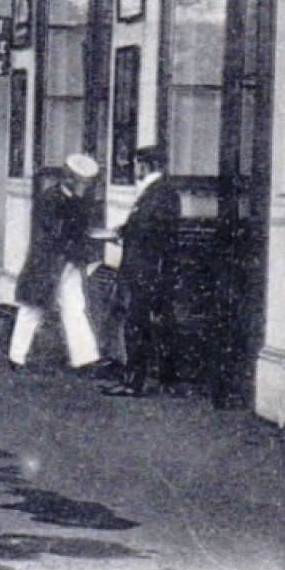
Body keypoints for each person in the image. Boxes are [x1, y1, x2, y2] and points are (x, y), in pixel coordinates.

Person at [8, 154, 103, 371]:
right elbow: (57, 232)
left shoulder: (73, 199)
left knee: (74, 307)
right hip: (47, 262)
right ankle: (16, 357)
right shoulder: (50, 198)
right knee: (33, 308)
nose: (85, 188)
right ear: (69, 178)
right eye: (82, 182)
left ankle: (85, 359)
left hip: (66, 263)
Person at [103, 145, 181, 397]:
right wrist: (124, 230)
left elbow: (153, 229)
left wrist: (128, 232)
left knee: (138, 324)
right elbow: (145, 224)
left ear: (145, 165)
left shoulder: (160, 192)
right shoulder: (157, 191)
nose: (134, 169)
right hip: (148, 268)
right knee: (148, 323)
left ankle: (134, 382)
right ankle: (157, 379)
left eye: (137, 164)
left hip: (148, 269)